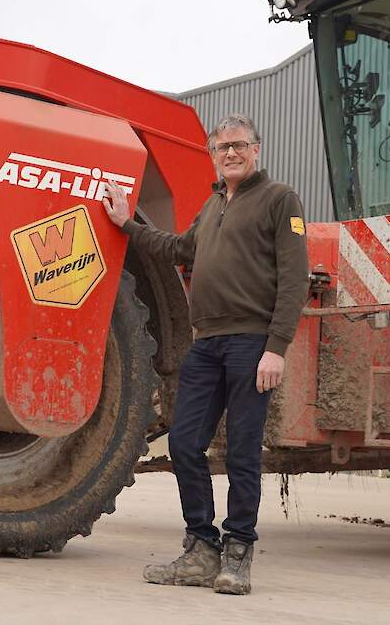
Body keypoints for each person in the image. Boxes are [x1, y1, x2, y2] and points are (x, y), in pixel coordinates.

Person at [102, 114, 308, 595]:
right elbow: (178, 248)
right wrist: (125, 224)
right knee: (185, 444)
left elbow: (295, 279)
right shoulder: (215, 203)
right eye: (222, 148)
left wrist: (275, 348)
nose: (231, 153)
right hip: (207, 343)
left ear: (256, 149)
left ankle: (238, 553)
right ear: (213, 156)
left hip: (251, 343)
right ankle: (200, 547)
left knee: (240, 451)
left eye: (239, 145)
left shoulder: (280, 200)